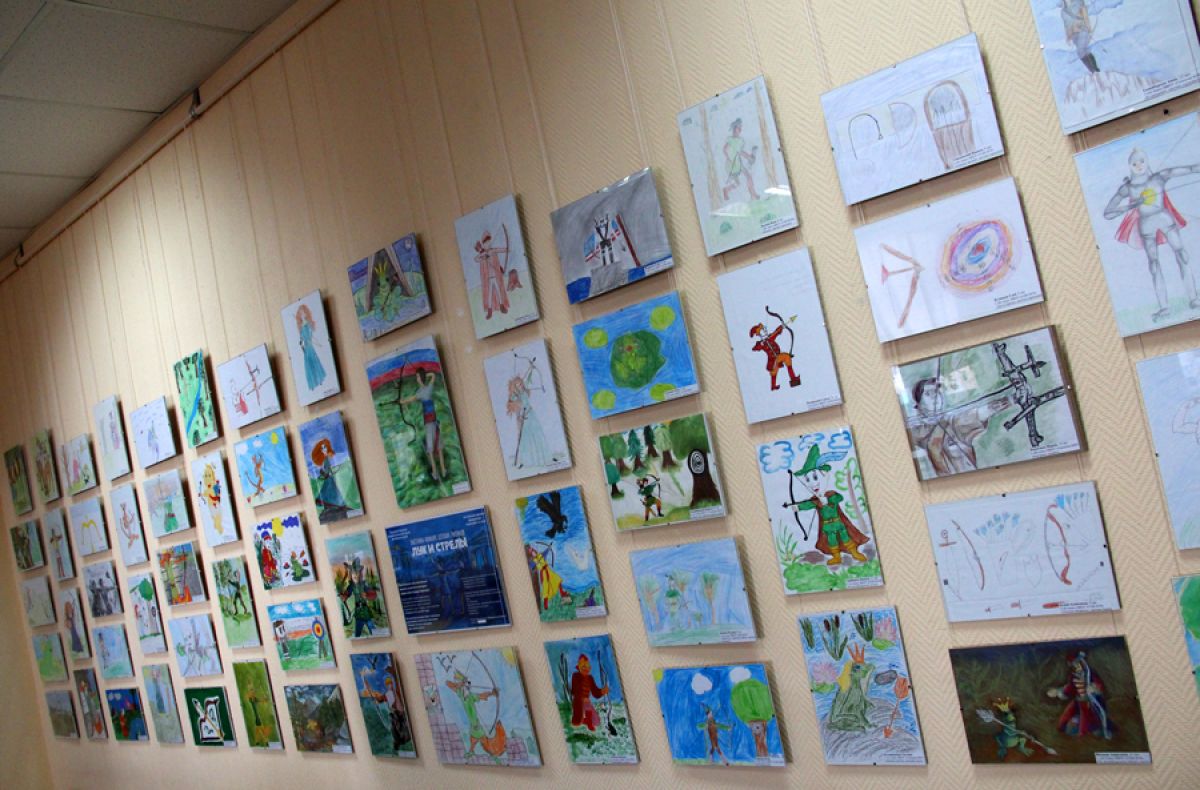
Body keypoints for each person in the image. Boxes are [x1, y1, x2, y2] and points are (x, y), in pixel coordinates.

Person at [1103, 147, 1200, 321]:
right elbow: (1108, 213)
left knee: (1182, 255)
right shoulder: (1128, 188)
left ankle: (1194, 299)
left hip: (1165, 220)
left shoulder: (1159, 177)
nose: (1139, 166)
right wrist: (1131, 205)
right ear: (1130, 166)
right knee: (1154, 266)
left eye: (1141, 161)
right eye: (1134, 163)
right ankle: (1164, 308)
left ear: (1147, 162)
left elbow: (1191, 169)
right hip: (1146, 226)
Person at [908, 377, 1009, 476]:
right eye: (928, 394)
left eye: (936, 392)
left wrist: (1009, 400)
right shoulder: (917, 430)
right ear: (918, 405)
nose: (934, 396)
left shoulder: (953, 422)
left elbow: (977, 414)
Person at [789, 445, 871, 565]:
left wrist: (827, 500)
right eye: (808, 480)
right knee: (832, 541)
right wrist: (797, 507)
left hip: (839, 523)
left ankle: (854, 552)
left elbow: (839, 498)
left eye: (815, 477)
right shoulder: (815, 500)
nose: (813, 483)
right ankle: (836, 557)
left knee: (845, 537)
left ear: (824, 474)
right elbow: (808, 505)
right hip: (827, 527)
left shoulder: (831, 495)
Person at [1047, 650, 1113, 739]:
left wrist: (1094, 688)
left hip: (1091, 702)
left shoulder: (1091, 674)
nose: (1076, 666)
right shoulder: (1073, 676)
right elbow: (1070, 688)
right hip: (1078, 702)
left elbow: (1099, 685)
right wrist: (1058, 692)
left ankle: (1095, 732)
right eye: (1074, 664)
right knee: (1065, 719)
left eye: (1078, 663)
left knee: (1089, 723)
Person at [399, 370, 448, 483]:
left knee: (430, 448)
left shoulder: (421, 392)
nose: (416, 378)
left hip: (429, 422)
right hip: (434, 421)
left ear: (420, 378)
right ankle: (443, 470)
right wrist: (426, 375)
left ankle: (435, 472)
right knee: (439, 446)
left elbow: (410, 399)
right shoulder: (428, 388)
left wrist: (402, 401)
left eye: (417, 377)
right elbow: (433, 375)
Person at [445, 670, 496, 759]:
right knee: (473, 739)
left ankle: (492, 754)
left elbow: (482, 695)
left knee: (483, 740)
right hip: (473, 724)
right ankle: (472, 752)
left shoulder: (471, 696)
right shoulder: (461, 694)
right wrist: (460, 683)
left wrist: (492, 693)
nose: (468, 686)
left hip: (476, 724)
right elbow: (448, 683)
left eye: (468, 684)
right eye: (466, 683)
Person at [749, 320, 801, 391]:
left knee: (787, 358)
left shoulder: (770, 338)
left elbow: (776, 332)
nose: (765, 331)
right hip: (773, 360)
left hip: (778, 356)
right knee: (774, 372)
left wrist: (782, 326)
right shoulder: (761, 343)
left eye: (764, 329)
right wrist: (761, 344)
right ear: (759, 334)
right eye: (762, 330)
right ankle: (773, 386)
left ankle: (793, 379)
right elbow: (755, 348)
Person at [474, 230, 510, 320]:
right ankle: (489, 311)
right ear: (483, 244)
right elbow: (476, 259)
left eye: (489, 242)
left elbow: (502, 250)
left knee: (498, 291)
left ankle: (502, 306)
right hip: (489, 278)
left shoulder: (492, 250)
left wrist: (507, 249)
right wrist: (483, 255)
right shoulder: (483, 254)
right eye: (486, 243)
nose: (488, 244)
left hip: (495, 276)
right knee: (490, 294)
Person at [722, 118, 759, 203]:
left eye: (740, 128)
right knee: (737, 183)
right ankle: (726, 190)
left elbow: (741, 152)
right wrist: (728, 158)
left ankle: (753, 194)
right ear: (735, 129)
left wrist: (748, 157)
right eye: (738, 128)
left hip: (738, 163)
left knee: (748, 177)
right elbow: (724, 149)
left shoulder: (740, 140)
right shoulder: (730, 140)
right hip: (732, 165)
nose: (740, 130)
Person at [569, 653, 608, 731]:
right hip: (578, 701)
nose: (586, 669)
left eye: (587, 667)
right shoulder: (575, 676)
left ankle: (587, 721)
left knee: (597, 722)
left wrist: (602, 691)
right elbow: (574, 690)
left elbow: (595, 692)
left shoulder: (590, 678)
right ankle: (587, 722)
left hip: (587, 702)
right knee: (576, 722)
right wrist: (582, 698)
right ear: (579, 667)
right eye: (583, 667)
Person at [294, 303, 327, 390]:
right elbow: (301, 339)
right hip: (306, 348)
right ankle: (314, 382)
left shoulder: (309, 324)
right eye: (300, 313)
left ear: (306, 313)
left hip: (310, 346)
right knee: (308, 364)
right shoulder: (301, 327)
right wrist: (302, 346)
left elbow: (312, 334)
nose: (302, 315)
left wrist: (316, 342)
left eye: (303, 312)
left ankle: (319, 380)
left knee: (314, 361)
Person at [310, 437, 347, 515]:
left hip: (328, 476)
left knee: (332, 487)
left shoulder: (327, 458)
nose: (324, 449)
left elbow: (327, 468)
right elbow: (325, 469)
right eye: (323, 448)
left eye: (325, 447)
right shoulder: (324, 459)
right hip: (328, 476)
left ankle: (336, 503)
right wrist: (326, 473)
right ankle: (333, 502)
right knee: (330, 487)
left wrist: (329, 472)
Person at [1060, 0, 1099, 74]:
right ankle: (1094, 70)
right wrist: (1068, 37)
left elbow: (1085, 15)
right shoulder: (1063, 12)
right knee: (1084, 51)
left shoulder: (1078, 2)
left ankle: (1094, 70)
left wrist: (1088, 27)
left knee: (1080, 51)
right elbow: (1066, 26)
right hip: (1074, 35)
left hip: (1082, 30)